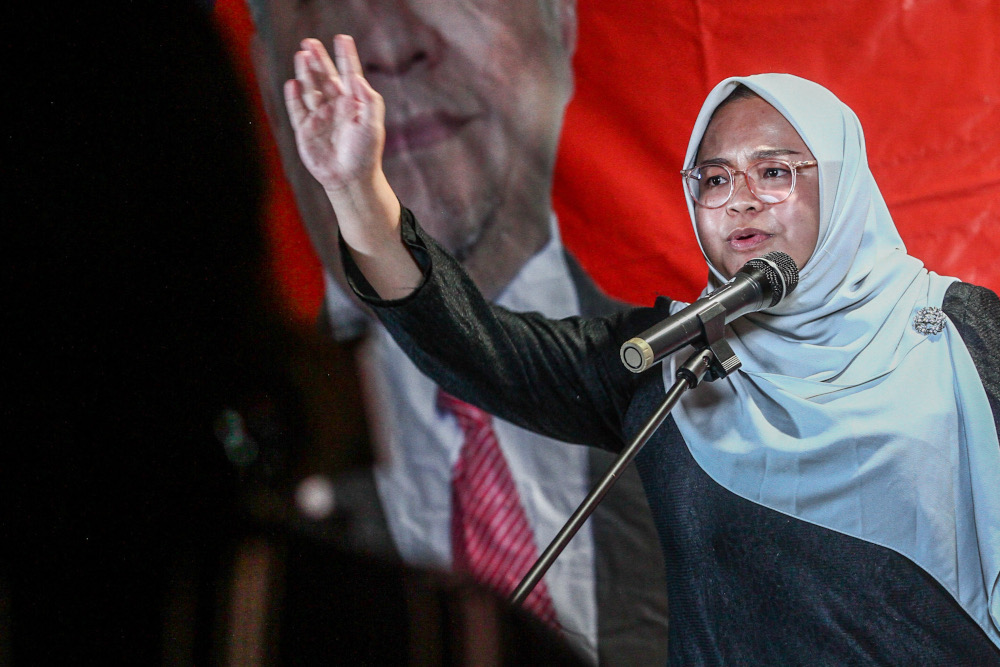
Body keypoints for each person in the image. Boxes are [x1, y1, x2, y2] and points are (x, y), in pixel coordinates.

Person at [283, 35, 1000, 663]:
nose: (740, 198)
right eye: (714, 178)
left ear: (844, 188)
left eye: (775, 171)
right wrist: (357, 191)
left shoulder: (964, 331)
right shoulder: (668, 359)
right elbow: (480, 348)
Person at [247, 1, 669, 661]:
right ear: (263, 67)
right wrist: (358, 194)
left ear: (561, 23)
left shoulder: (715, 381)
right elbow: (459, 337)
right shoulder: (253, 453)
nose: (387, 45)